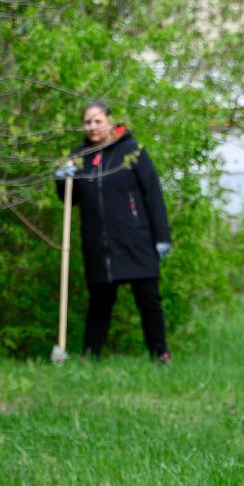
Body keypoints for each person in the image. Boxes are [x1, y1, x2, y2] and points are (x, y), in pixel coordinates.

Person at [54, 101, 172, 363]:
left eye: (98, 121)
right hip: (99, 243)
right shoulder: (79, 157)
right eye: (88, 122)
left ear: (110, 121)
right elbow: (69, 199)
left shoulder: (132, 151)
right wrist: (62, 179)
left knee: (148, 299)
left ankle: (160, 353)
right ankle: (90, 356)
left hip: (135, 238)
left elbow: (153, 194)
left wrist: (162, 237)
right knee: (100, 302)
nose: (93, 127)